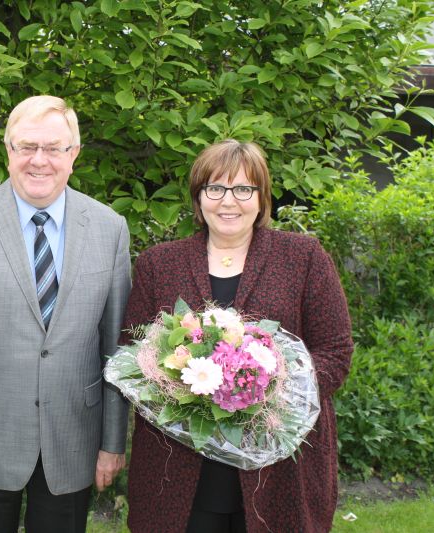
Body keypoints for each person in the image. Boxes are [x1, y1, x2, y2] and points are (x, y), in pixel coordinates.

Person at [0, 95, 131, 533]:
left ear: (74, 155)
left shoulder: (110, 228)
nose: (39, 161)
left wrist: (112, 443)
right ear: (8, 151)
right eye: (26, 146)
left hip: (73, 439)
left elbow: (117, 350)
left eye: (54, 148)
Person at [122, 139, 353, 532]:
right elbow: (132, 352)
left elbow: (335, 350)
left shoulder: (304, 258)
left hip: (280, 464)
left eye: (244, 189)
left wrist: (267, 392)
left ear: (262, 198)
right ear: (199, 198)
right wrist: (178, 389)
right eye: (216, 188)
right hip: (179, 464)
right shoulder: (158, 264)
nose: (229, 201)